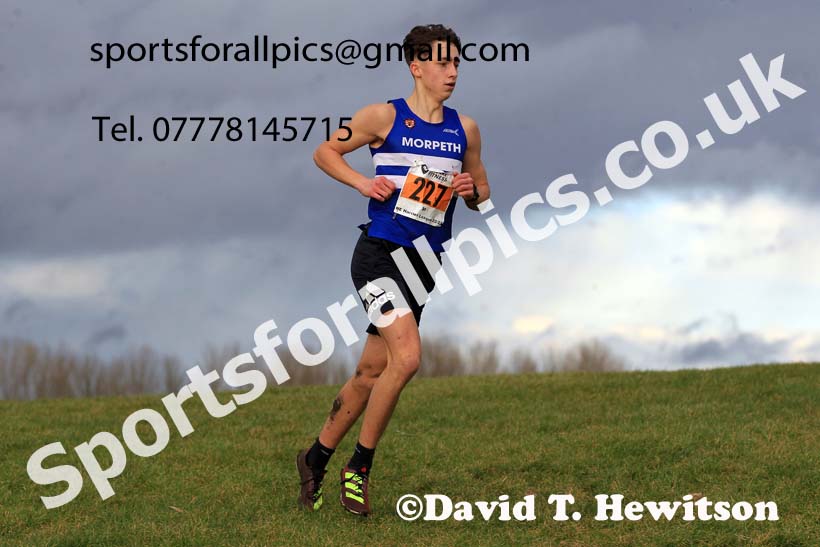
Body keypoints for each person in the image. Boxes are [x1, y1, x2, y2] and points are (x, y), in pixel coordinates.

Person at [297, 23, 490, 516]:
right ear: (416, 66)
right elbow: (324, 152)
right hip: (379, 255)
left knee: (370, 372)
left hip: (424, 262)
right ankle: (358, 468)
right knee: (407, 359)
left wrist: (471, 191)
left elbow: (482, 194)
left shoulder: (465, 129)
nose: (453, 71)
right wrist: (363, 183)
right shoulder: (383, 117)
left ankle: (315, 457)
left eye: (457, 62)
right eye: (443, 62)